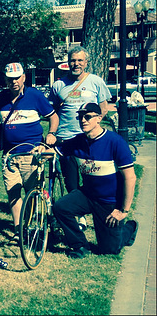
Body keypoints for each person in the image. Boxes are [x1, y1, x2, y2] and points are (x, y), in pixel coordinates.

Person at [46, 103, 138, 259]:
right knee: (61, 207)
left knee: (109, 249)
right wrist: (40, 151)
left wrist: (123, 210)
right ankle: (80, 245)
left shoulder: (115, 142)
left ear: (99, 118)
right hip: (87, 195)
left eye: (88, 117)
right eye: (80, 117)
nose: (83, 120)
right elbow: (54, 152)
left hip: (108, 201)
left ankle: (129, 228)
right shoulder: (78, 141)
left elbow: (130, 177)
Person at [0, 62, 58, 239]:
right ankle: (19, 230)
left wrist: (52, 134)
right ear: (6, 79)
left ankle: (30, 225)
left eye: (17, 78)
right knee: (13, 193)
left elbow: (53, 116)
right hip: (9, 155)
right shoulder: (2, 97)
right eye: (10, 79)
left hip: (31, 154)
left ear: (23, 77)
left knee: (31, 193)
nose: (14, 82)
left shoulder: (35, 96)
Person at [48, 46, 112, 194]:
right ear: (68, 63)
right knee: (71, 183)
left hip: (88, 139)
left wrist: (95, 128)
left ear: (86, 62)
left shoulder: (96, 81)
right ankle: (76, 213)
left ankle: (91, 206)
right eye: (73, 60)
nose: (76, 64)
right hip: (65, 139)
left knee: (93, 179)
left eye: (80, 60)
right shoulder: (58, 85)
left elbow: (103, 109)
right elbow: (52, 113)